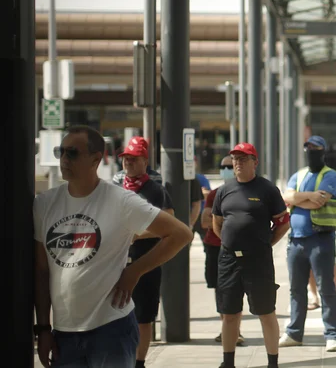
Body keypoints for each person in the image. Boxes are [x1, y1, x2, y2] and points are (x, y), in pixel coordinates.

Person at [34, 125, 192, 368]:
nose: (64, 159)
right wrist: (43, 328)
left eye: (72, 153)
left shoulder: (121, 201)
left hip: (111, 330)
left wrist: (134, 271)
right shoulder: (44, 204)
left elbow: (180, 233)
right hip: (63, 334)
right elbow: (41, 272)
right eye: (60, 152)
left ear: (96, 159)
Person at [212, 142, 290, 368]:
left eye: (243, 159)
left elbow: (283, 223)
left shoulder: (267, 189)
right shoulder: (224, 190)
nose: (237, 163)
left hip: (258, 260)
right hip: (229, 260)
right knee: (229, 314)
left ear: (255, 162)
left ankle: (272, 362)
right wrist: (228, 241)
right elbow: (217, 223)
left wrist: (266, 243)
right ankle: (228, 362)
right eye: (235, 159)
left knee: (266, 312)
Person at [280, 136, 336, 352]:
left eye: (316, 149)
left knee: (326, 289)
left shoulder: (330, 174)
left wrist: (297, 199)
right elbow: (286, 197)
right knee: (296, 290)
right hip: (296, 240)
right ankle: (294, 333)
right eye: (308, 148)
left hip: (321, 239)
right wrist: (306, 197)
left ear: (324, 151)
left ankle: (332, 335)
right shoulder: (298, 174)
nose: (311, 152)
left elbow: (321, 200)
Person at [116, 137, 176, 368]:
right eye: (126, 159)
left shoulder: (155, 190)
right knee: (117, 314)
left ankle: (139, 362)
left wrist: (134, 234)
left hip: (147, 262)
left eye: (133, 159)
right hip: (116, 262)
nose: (128, 163)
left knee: (144, 317)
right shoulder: (115, 188)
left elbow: (170, 222)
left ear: (145, 161)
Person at [201, 156, 245, 346]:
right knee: (220, 289)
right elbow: (204, 221)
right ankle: (226, 327)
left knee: (236, 289)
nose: (227, 169)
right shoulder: (214, 194)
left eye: (230, 166)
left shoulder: (244, 193)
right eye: (223, 167)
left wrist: (220, 220)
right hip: (214, 247)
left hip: (236, 250)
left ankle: (236, 330)